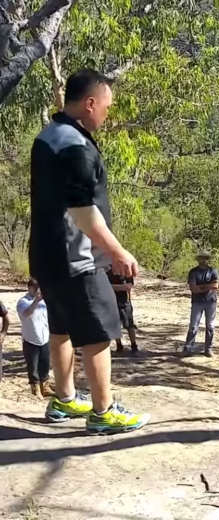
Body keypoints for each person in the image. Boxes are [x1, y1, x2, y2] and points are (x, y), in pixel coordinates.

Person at [29, 68, 150, 434]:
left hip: (46, 254)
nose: (107, 116)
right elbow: (81, 209)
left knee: (62, 325)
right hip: (76, 256)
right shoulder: (77, 146)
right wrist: (117, 251)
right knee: (97, 331)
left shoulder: (48, 135)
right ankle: (103, 411)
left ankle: (64, 399)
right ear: (90, 103)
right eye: (107, 108)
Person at [17, 279, 52, 398]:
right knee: (32, 366)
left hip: (45, 337)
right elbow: (25, 313)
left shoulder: (45, 301)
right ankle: (35, 388)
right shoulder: (23, 302)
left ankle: (45, 386)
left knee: (45, 364)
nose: (38, 289)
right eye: (35, 287)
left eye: (39, 287)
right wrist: (36, 301)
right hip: (30, 338)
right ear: (29, 287)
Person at [183, 251, 219, 357]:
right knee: (193, 326)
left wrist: (201, 287)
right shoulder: (193, 272)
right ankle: (188, 348)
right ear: (198, 259)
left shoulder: (213, 271)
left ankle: (208, 349)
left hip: (210, 302)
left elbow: (215, 285)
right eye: (201, 258)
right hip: (197, 302)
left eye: (205, 258)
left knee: (210, 326)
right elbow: (193, 288)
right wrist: (207, 286)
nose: (203, 260)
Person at [107, 270, 139, 356]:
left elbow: (128, 286)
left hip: (125, 303)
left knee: (129, 325)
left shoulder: (127, 273)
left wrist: (112, 287)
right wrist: (119, 287)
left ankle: (134, 345)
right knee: (115, 325)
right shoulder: (108, 272)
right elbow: (103, 287)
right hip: (112, 303)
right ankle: (119, 345)